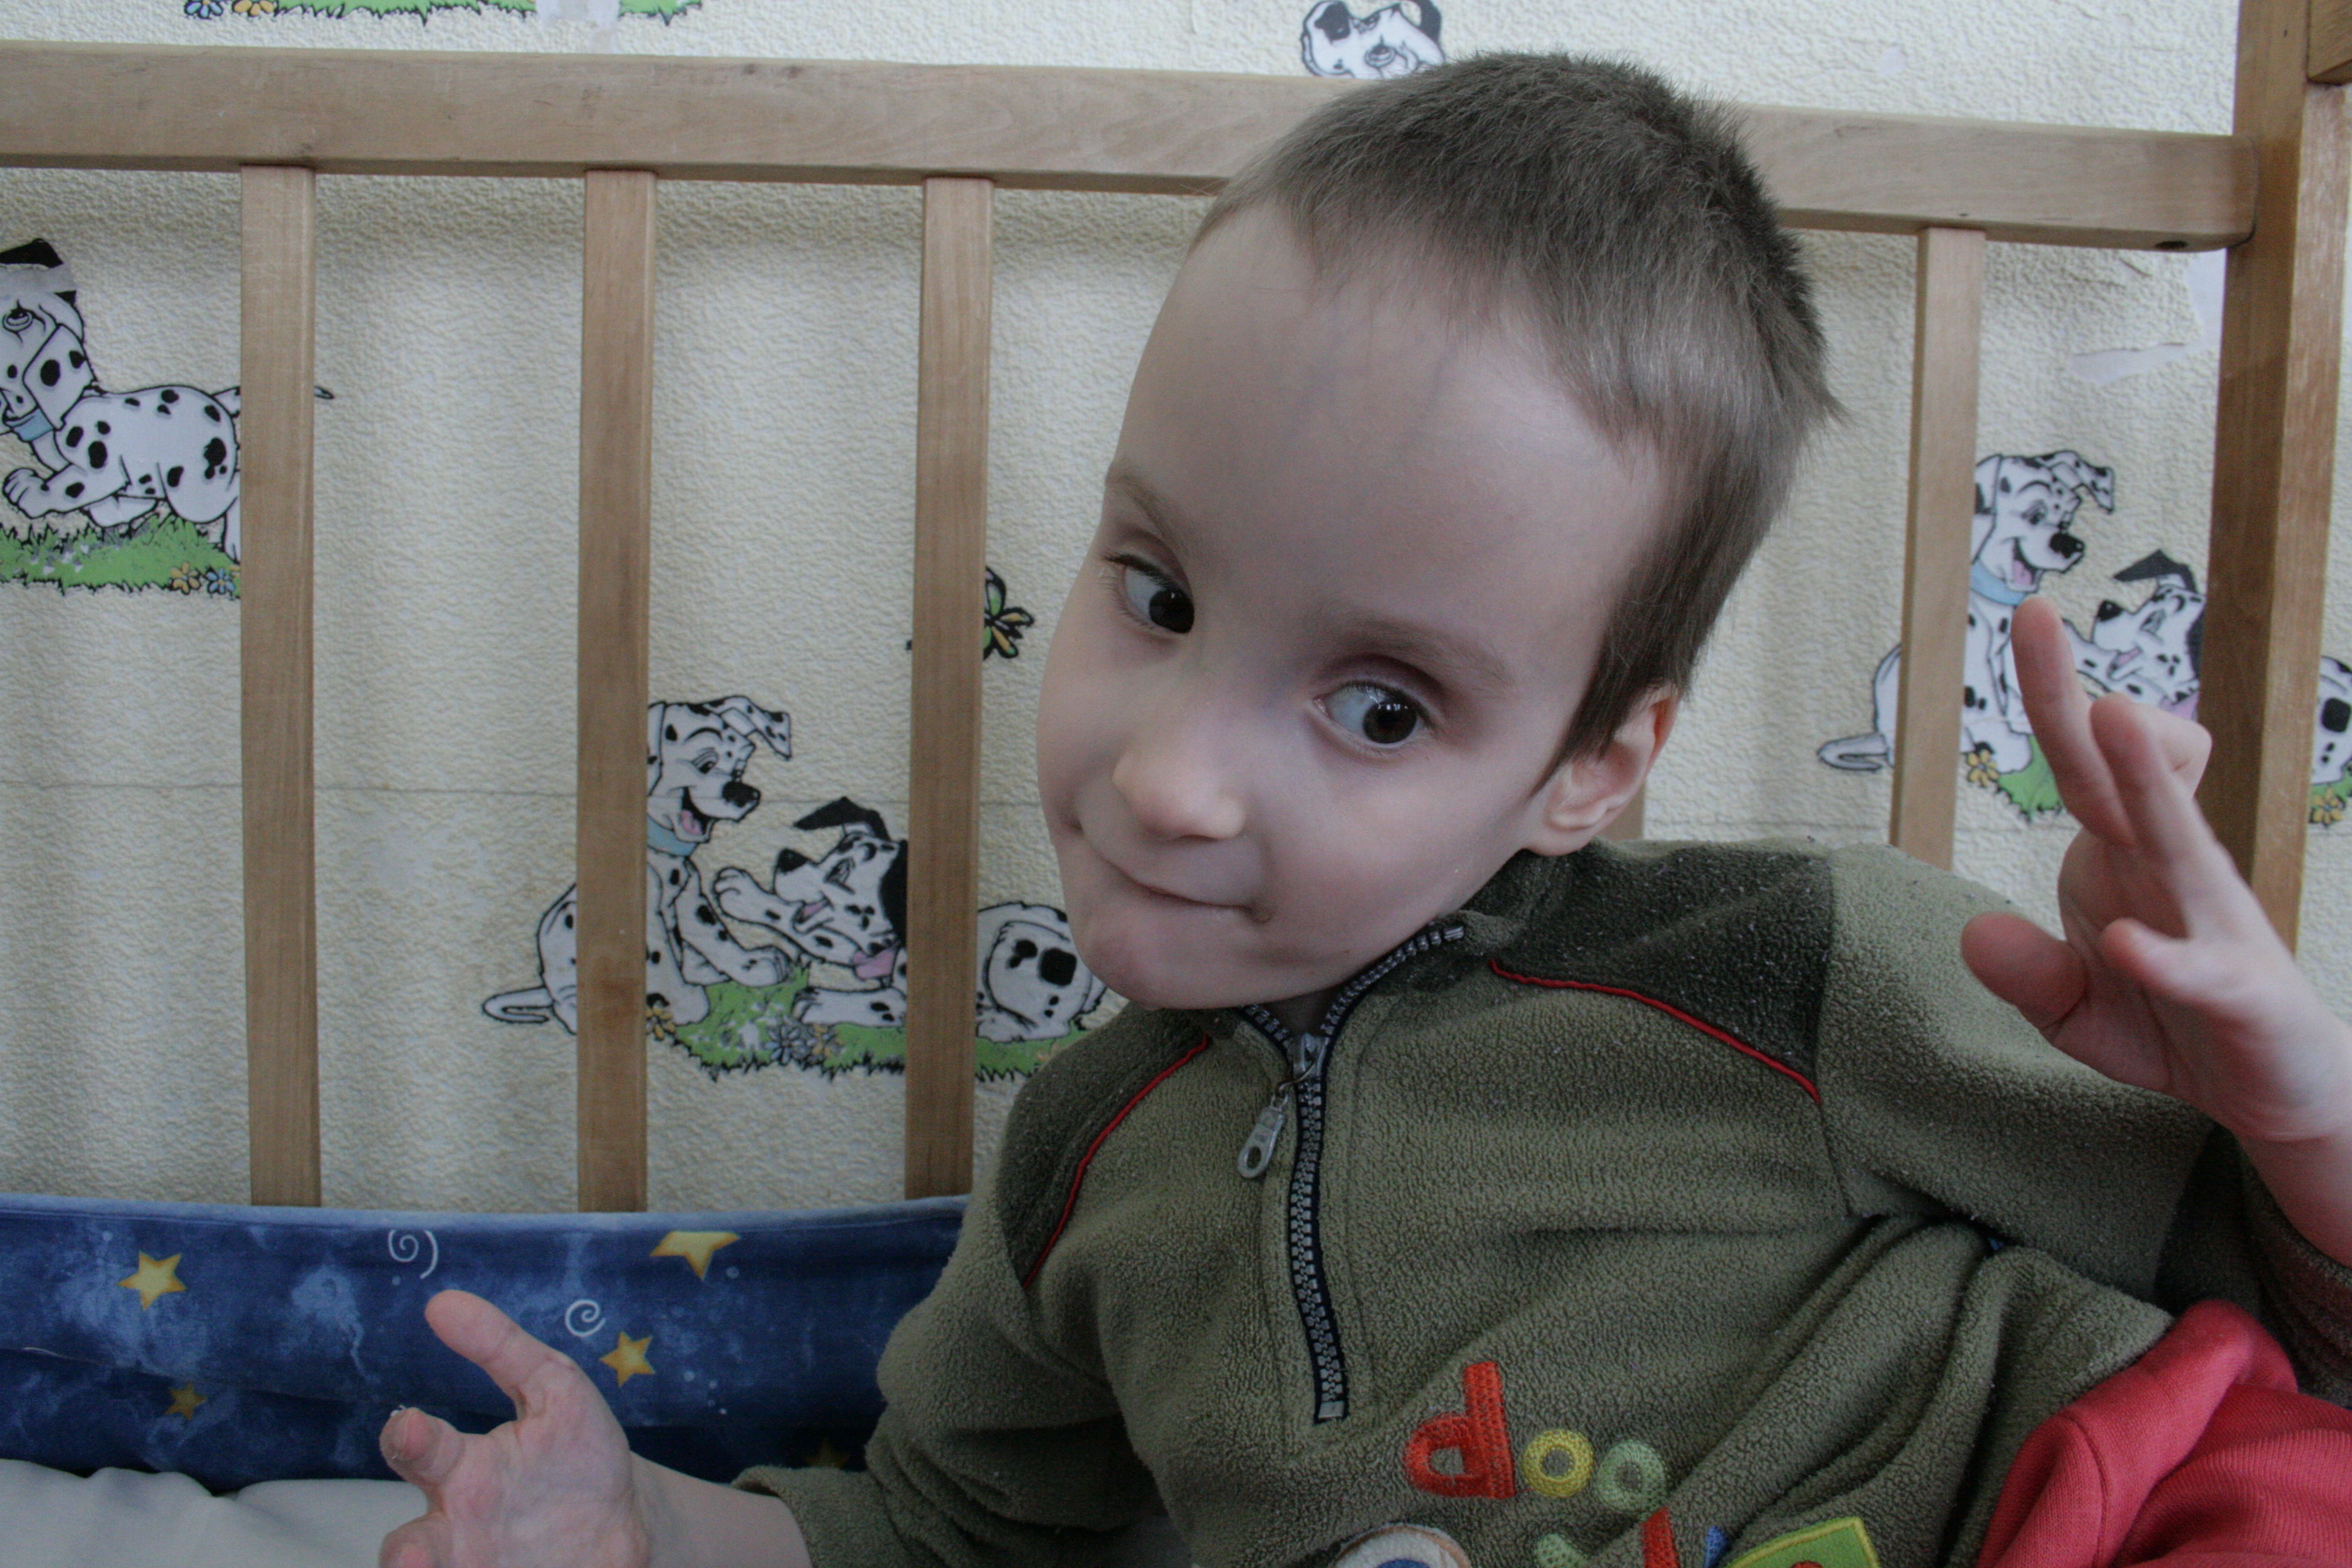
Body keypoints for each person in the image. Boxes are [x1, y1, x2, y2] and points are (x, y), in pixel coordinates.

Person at [376, 56, 2352, 1568]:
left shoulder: (1795, 972)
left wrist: (2301, 1127)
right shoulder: (1084, 1170)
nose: (1168, 776)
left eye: (1381, 705)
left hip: (2116, 1500)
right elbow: (942, 1531)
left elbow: (2308, 1331)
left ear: (1592, 766)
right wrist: (644, 1525)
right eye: (1160, 595)